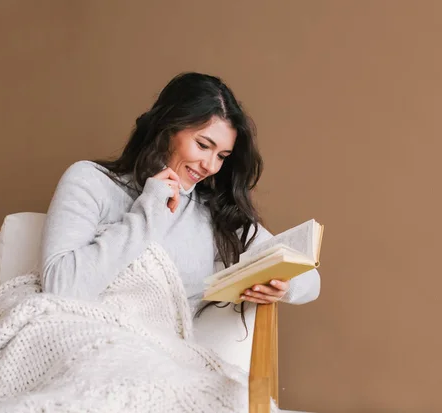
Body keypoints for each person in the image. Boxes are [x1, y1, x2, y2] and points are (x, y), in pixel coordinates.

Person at [39, 72, 320, 316]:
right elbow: (61, 286)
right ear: (168, 129)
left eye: (222, 156)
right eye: (202, 145)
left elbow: (311, 280)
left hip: (156, 356)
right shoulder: (90, 180)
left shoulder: (213, 214)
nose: (210, 166)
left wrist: (281, 287)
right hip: (76, 334)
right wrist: (150, 207)